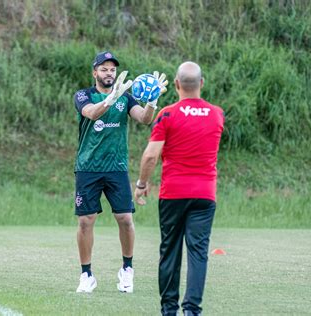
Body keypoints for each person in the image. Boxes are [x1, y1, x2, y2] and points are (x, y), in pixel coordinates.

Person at [134, 61, 224, 315]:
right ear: (202, 84)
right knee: (198, 252)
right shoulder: (217, 113)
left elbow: (151, 155)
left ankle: (169, 310)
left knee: (170, 251)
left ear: (176, 85)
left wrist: (142, 184)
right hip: (205, 195)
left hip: (173, 193)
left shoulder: (168, 114)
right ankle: (192, 310)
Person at [73, 51, 167, 293]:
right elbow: (92, 113)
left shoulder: (126, 97)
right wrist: (109, 100)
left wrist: (152, 100)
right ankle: (86, 275)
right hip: (88, 168)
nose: (109, 73)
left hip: (116, 168)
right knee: (85, 221)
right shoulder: (83, 95)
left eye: (112, 69)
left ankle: (127, 270)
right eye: (103, 69)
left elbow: (145, 119)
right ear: (95, 72)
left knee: (125, 219)